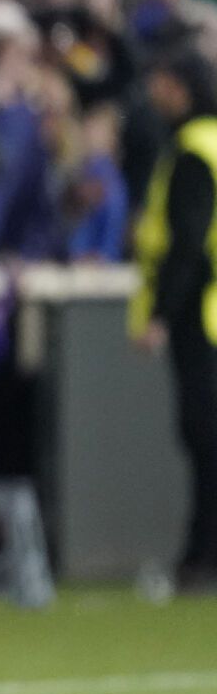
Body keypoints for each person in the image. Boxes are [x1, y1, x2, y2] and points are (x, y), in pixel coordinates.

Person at [128, 51, 217, 592]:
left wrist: (161, 313)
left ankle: (202, 560)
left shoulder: (191, 150)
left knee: (205, 440)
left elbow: (186, 243)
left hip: (203, 319)